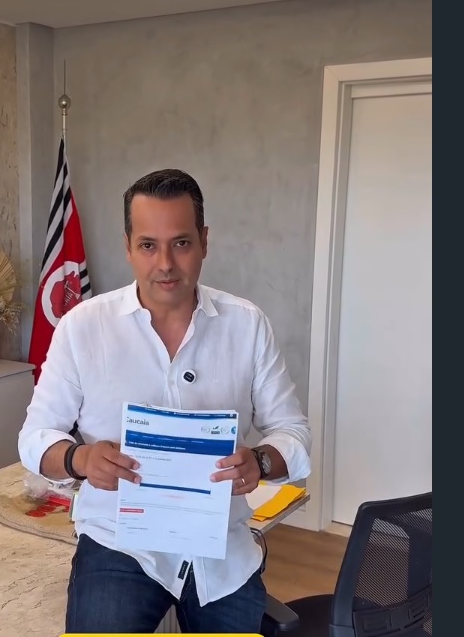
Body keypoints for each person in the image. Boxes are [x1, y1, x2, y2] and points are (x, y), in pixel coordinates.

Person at [17, 168, 311, 635]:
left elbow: (293, 434)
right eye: (149, 245)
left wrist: (260, 461)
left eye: (182, 243)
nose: (165, 264)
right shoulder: (83, 327)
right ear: (128, 247)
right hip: (119, 542)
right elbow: (35, 437)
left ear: (205, 241)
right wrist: (80, 459)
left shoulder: (247, 325)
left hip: (219, 545)